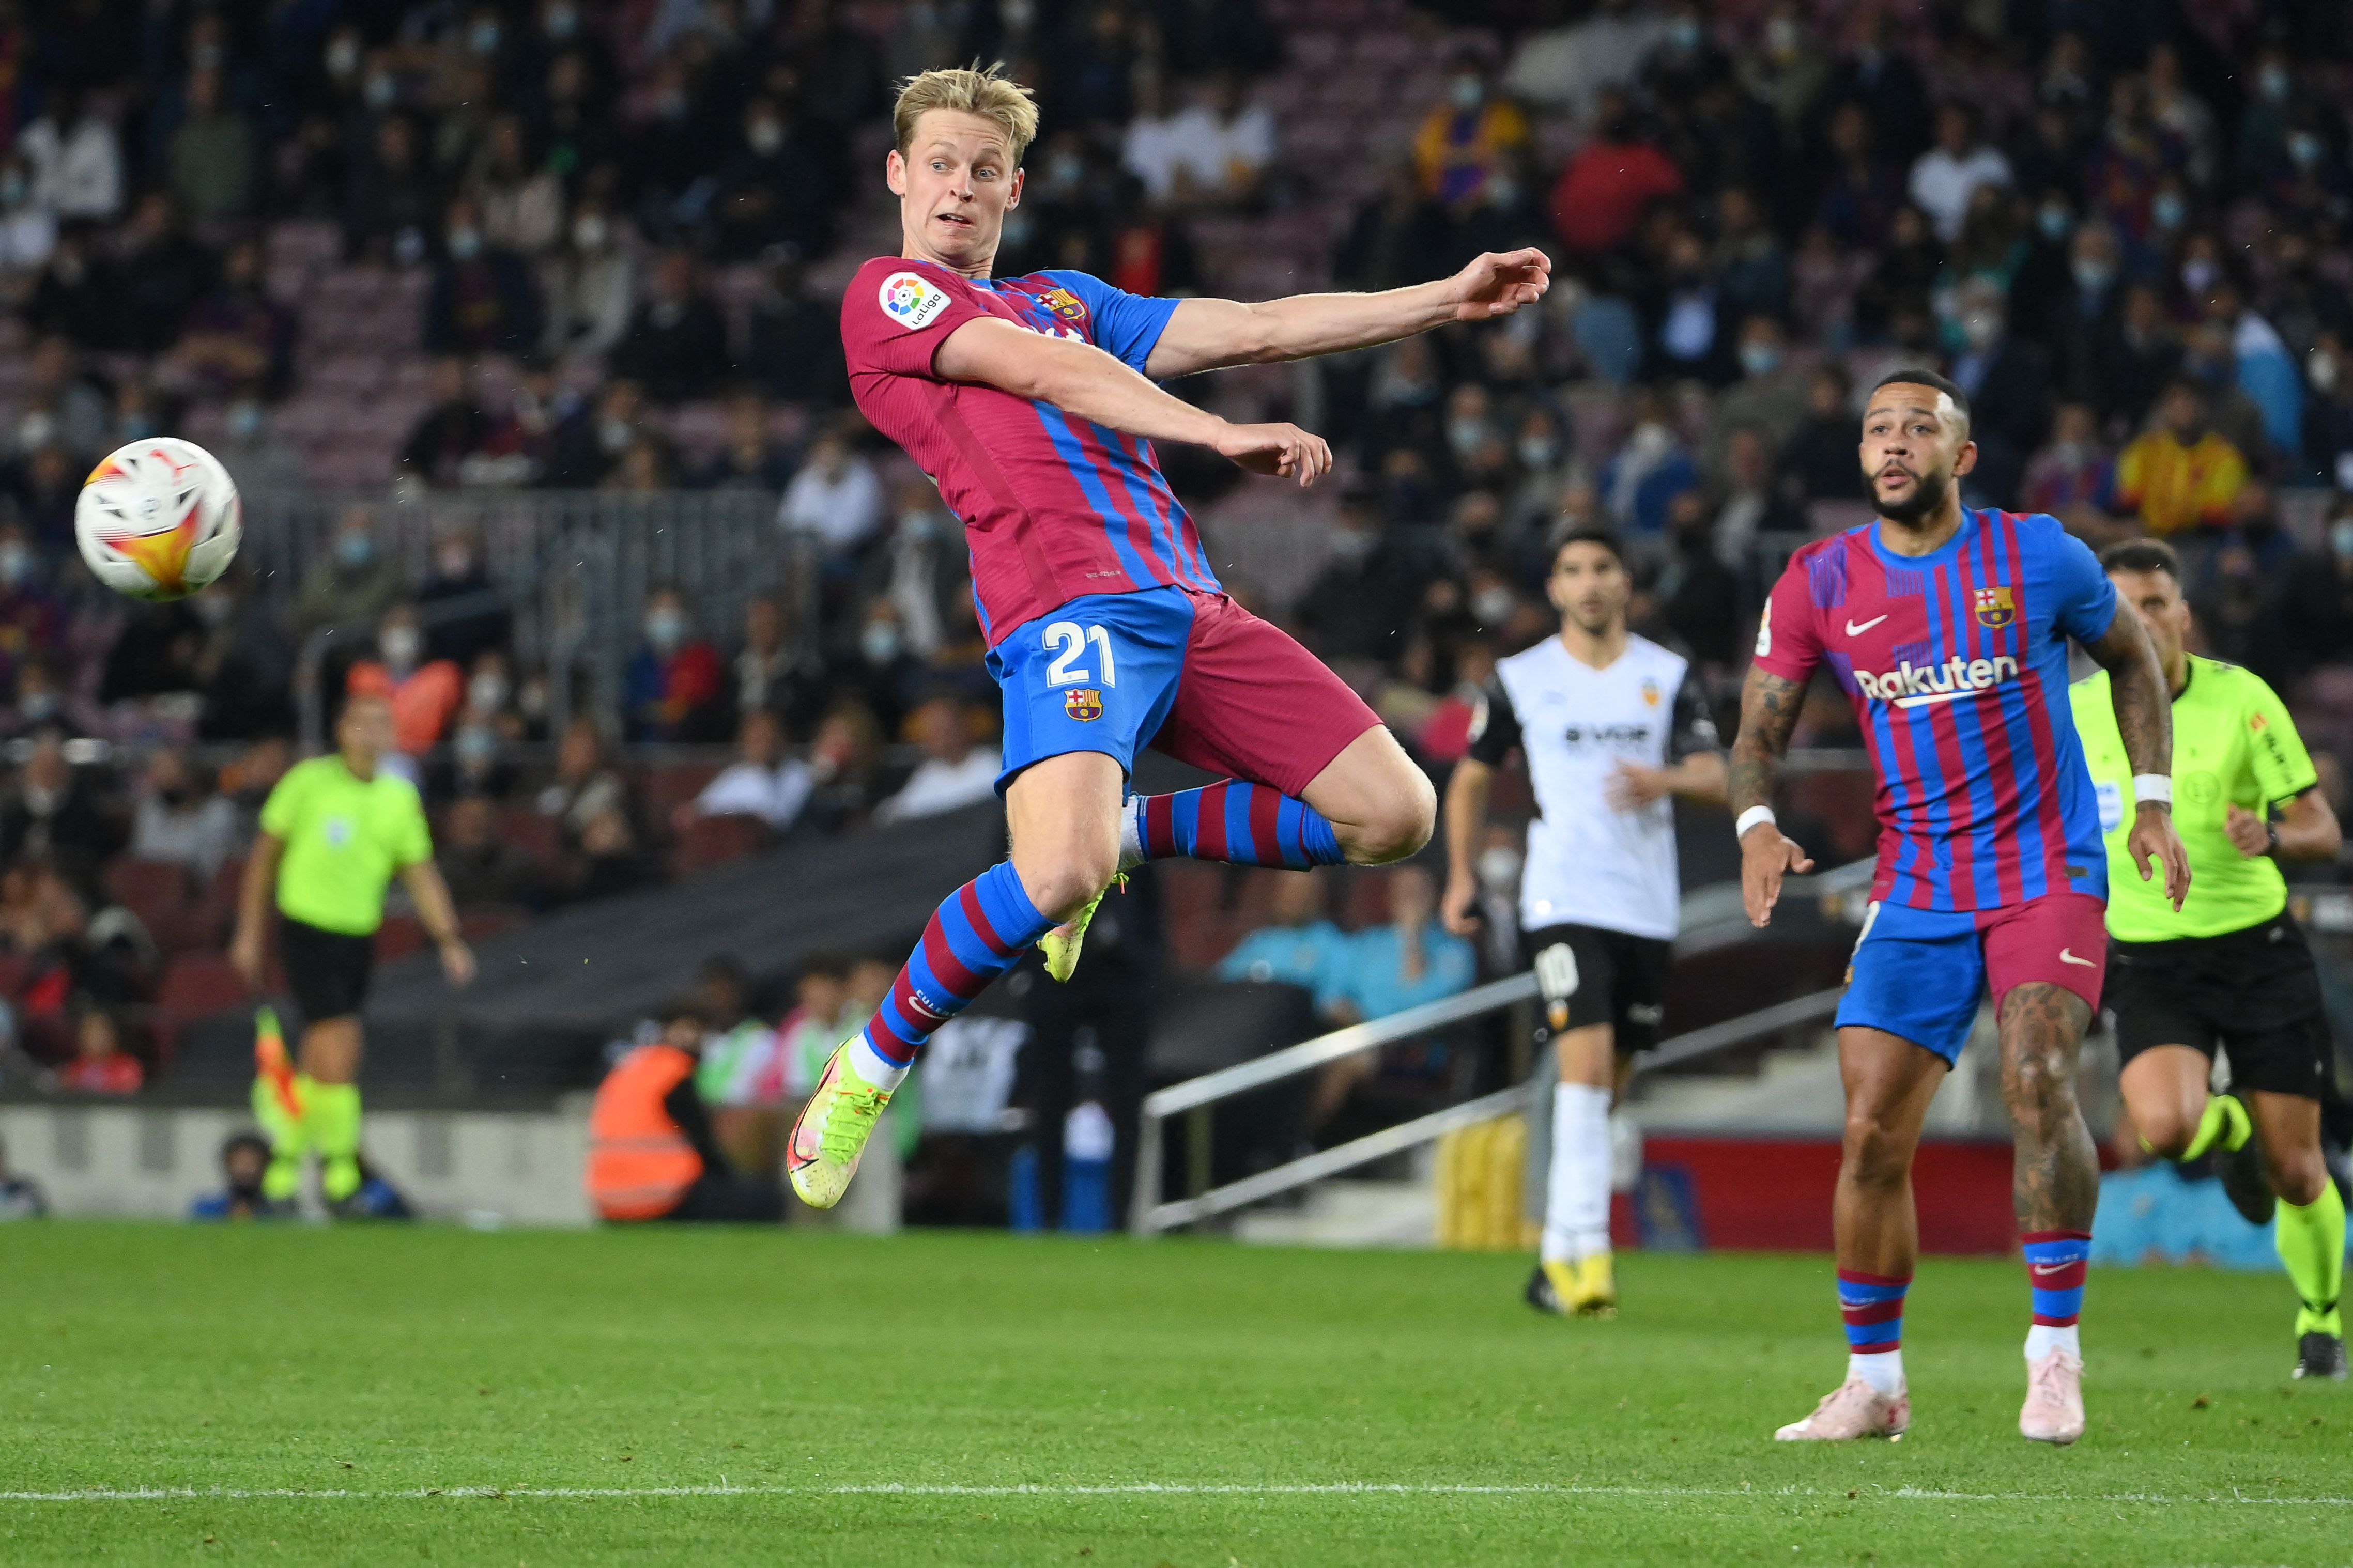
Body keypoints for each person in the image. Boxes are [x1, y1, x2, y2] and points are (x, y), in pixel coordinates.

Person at [788, 64, 1548, 1209]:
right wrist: (1213, 435)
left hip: (1187, 606)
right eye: (938, 165)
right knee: (1057, 870)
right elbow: (1044, 374)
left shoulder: (1068, 296)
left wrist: (1441, 296)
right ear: (899, 175)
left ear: (1012, 188)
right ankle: (873, 1058)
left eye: (982, 170)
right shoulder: (889, 297)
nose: (958, 188)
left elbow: (1254, 325)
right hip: (1065, 610)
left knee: (1396, 814)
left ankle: (1137, 825)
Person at [1732, 369, 2187, 1445]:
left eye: (1918, 428)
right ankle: (1873, 1381)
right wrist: (1756, 824)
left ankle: (2051, 1355)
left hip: (2044, 868)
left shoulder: (2036, 554)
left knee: (2035, 1083)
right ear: (1858, 456)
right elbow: (1758, 730)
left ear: (1959, 455)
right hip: (1917, 884)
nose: (1894, 444)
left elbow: (2130, 658)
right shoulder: (1816, 580)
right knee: (1868, 1133)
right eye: (1877, 429)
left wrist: (2153, 805)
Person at [2071, 540, 2346, 1381]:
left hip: (2257, 952)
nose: (2141, 621)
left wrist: (2270, 835)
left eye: (2155, 604)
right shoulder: (2076, 713)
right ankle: (2229, 1130)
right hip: (2149, 958)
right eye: (2122, 607)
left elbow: (2320, 828)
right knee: (2161, 1128)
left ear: (2183, 615)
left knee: (2298, 1170)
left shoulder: (2240, 700)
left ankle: (2319, 1321)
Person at [1440, 522, 1725, 1318]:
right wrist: (1460, 874)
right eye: (1573, 569)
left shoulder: (1664, 674)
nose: (1590, 581)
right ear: (1556, 588)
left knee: (1611, 1078)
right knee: (1586, 1065)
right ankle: (1587, 1256)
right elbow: (1469, 779)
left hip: (1645, 902)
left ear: (1625, 584)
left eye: (1604, 567)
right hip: (1561, 896)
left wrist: (1664, 778)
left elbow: (1720, 773)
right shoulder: (1520, 677)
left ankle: (1552, 1257)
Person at [230, 694, 476, 1212]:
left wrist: (449, 938)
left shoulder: (398, 796)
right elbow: (263, 859)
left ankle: (285, 1167)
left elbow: (420, 872)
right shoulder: (308, 782)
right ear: (342, 729)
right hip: (306, 926)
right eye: (361, 722)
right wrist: (250, 932)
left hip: (358, 935)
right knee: (341, 1037)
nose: (371, 733)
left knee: (323, 1050)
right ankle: (340, 1170)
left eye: (381, 724)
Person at [586, 998, 786, 1223]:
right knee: (768, 1200)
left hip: (609, 1199)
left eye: (697, 1029)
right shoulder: (674, 1073)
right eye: (685, 1028)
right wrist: (733, 1182)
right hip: (664, 1196)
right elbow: (702, 1142)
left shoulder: (628, 1068)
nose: (691, 1037)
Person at [190, 1131, 276, 1220]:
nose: (246, 1169)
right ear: (228, 1165)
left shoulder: (277, 1213)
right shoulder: (206, 1210)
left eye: (253, 1163)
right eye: (240, 1162)